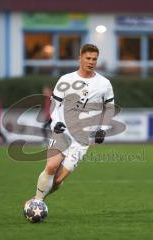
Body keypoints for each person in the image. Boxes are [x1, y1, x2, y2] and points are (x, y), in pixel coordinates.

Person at [30, 44, 114, 202]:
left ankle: (39, 198)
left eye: (94, 59)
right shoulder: (66, 80)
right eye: (88, 58)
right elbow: (55, 104)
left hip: (82, 139)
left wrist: (103, 129)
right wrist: (56, 123)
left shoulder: (104, 83)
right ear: (80, 58)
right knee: (51, 166)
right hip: (62, 132)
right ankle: (37, 202)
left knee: (57, 181)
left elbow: (109, 107)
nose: (91, 61)